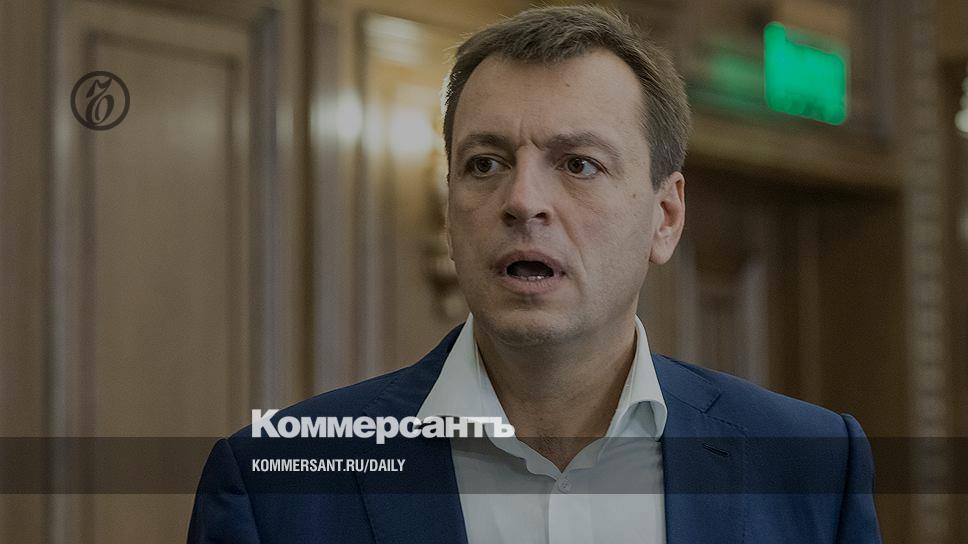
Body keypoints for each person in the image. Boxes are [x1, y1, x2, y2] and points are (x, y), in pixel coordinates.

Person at [188, 5, 881, 543]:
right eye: (485, 163)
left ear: (665, 217)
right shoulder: (274, 486)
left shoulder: (812, 465)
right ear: (449, 211)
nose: (522, 200)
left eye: (579, 164)